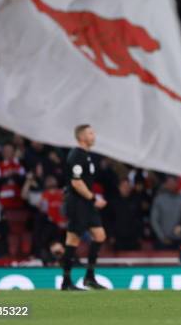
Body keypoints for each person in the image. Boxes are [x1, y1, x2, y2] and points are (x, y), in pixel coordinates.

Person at [61, 124, 108, 291]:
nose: (94, 135)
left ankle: (89, 277)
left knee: (100, 235)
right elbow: (76, 182)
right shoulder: (76, 155)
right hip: (77, 203)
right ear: (81, 137)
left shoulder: (87, 156)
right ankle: (66, 282)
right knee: (72, 240)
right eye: (90, 133)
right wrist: (93, 198)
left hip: (86, 203)